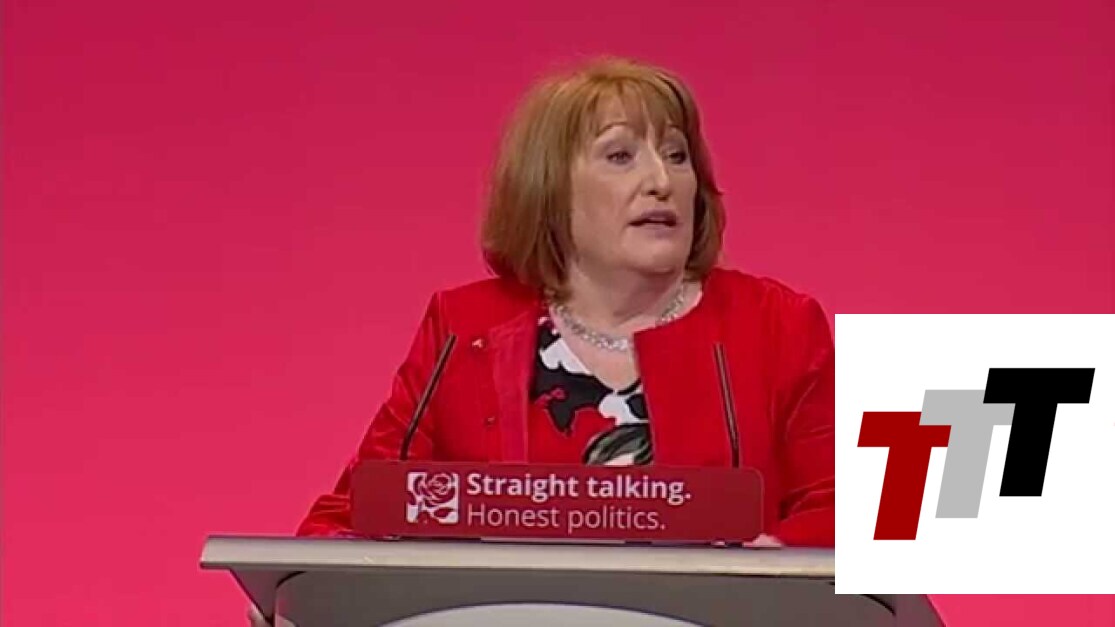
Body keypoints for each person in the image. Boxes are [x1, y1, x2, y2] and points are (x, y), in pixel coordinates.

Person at [296, 56, 835, 547]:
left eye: (677, 155)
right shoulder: (463, 327)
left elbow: (858, 519)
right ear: (550, 188)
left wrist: (768, 566)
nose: (661, 181)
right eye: (620, 156)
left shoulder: (782, 323)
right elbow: (352, 516)